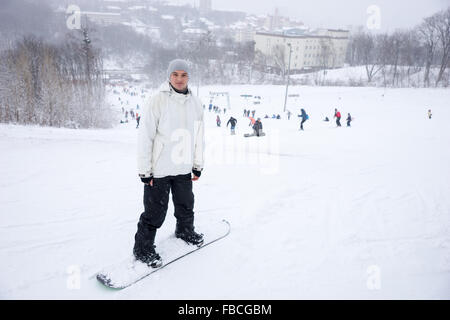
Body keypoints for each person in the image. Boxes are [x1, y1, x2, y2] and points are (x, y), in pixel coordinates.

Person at [134, 59, 205, 268]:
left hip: (183, 167)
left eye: (184, 75)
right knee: (155, 212)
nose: (180, 79)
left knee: (186, 205)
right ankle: (143, 248)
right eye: (175, 75)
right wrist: (145, 170)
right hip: (160, 169)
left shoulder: (196, 103)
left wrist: (197, 164)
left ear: (188, 77)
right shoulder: (157, 100)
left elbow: (198, 136)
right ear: (169, 77)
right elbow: (145, 136)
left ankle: (185, 231)